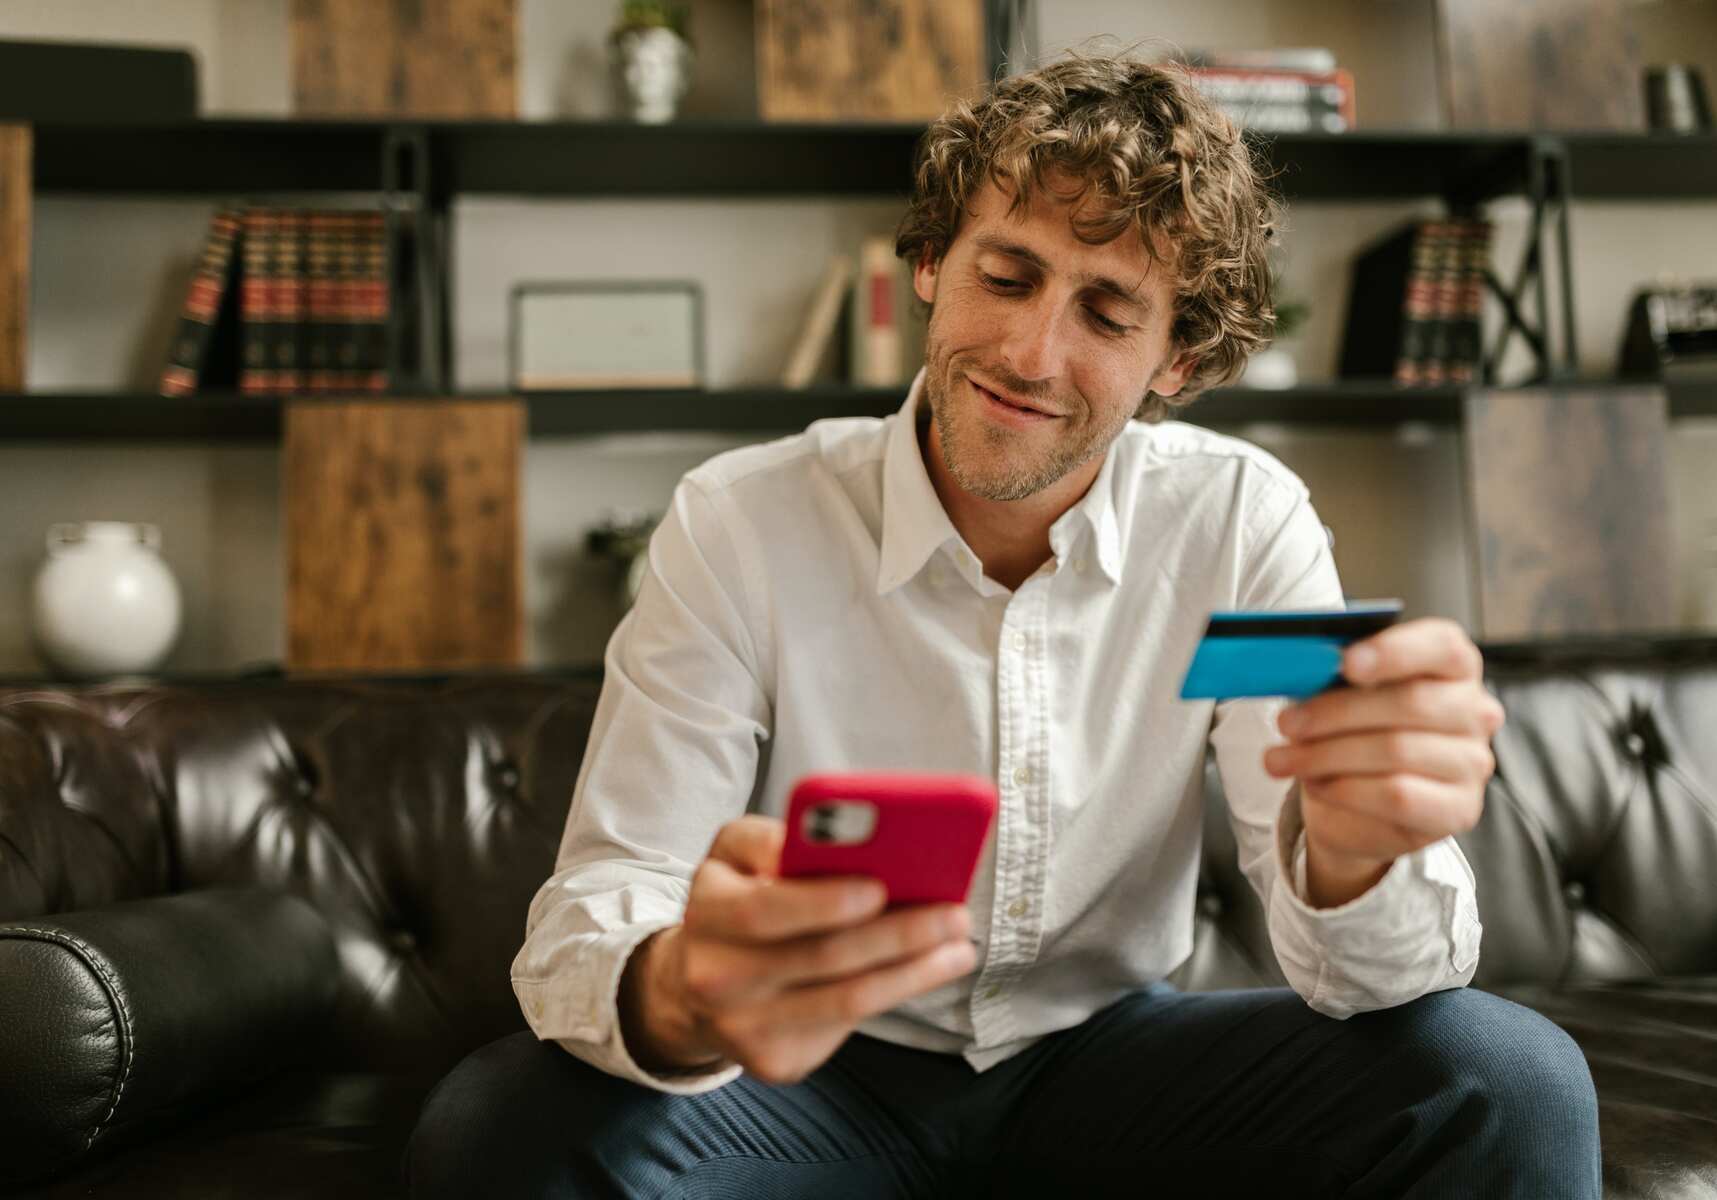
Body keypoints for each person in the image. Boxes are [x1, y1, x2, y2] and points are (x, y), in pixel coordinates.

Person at [406, 50, 1601, 1198]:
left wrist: (1348, 852)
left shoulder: (1240, 527)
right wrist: (685, 991)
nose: (1033, 355)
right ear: (931, 263)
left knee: (1509, 1082)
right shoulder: (742, 523)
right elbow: (616, 884)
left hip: (1115, 1067)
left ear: (1177, 358)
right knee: (499, 1123)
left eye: (1108, 310)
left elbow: (1365, 971)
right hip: (806, 1077)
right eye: (1009, 275)